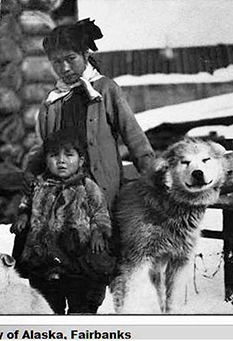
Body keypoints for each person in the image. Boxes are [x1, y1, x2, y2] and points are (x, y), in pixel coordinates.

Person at [24, 18, 154, 210]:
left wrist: (152, 175)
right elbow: (43, 145)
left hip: (103, 192)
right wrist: (30, 171)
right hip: (63, 195)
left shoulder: (105, 89)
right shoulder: (52, 100)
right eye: (57, 62)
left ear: (85, 55)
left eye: (70, 59)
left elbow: (134, 137)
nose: (65, 68)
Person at [10, 129, 114, 314]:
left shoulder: (87, 186)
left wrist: (98, 232)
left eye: (69, 155)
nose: (61, 161)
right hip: (44, 255)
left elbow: (100, 212)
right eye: (53, 155)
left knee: (80, 299)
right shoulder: (39, 184)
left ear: (81, 160)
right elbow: (26, 204)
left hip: (77, 256)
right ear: (46, 160)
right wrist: (23, 216)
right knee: (48, 303)